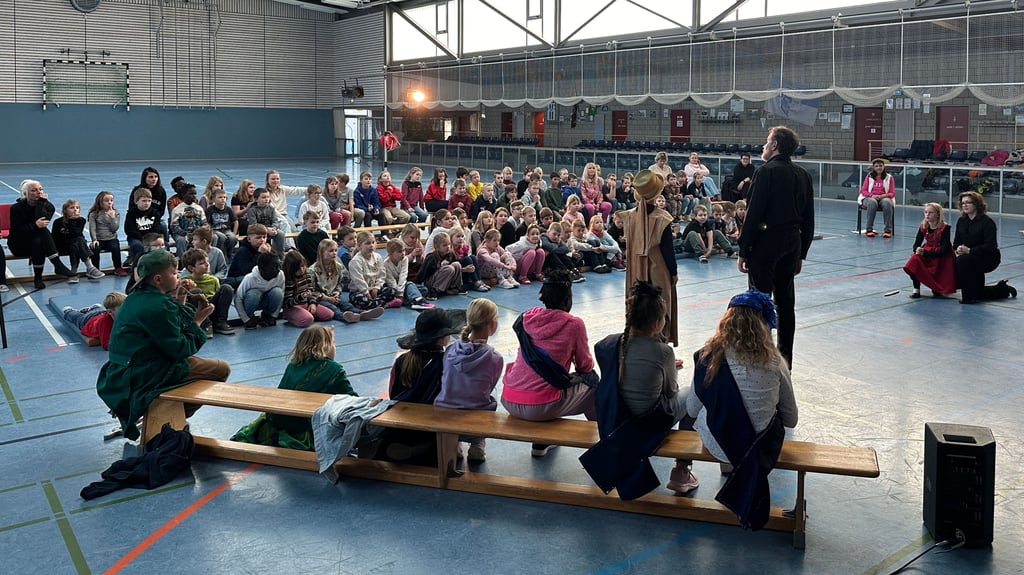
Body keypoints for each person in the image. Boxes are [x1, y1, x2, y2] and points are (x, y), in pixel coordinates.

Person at [686, 289, 798, 528]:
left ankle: (685, 468)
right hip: (760, 447)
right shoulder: (776, 363)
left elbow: (692, 410)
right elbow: (791, 420)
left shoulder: (707, 357)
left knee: (712, 408)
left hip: (718, 445)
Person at [96, 249, 229, 441]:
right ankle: (166, 416)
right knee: (221, 369)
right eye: (174, 274)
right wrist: (198, 322)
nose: (178, 276)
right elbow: (181, 348)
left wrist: (181, 297)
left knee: (199, 365)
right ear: (158, 279)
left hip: (123, 370)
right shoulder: (157, 306)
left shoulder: (136, 297)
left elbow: (170, 326)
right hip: (143, 373)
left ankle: (163, 413)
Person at [591, 280, 699, 496]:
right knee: (692, 395)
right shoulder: (663, 352)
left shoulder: (607, 344)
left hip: (616, 417)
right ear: (658, 322)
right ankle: (682, 469)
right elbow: (670, 392)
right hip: (648, 422)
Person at [738, 126, 815, 368]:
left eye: (766, 141)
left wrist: (743, 249)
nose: (763, 146)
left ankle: (759, 359)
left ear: (775, 146)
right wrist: (801, 252)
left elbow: (753, 214)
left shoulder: (765, 172)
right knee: (786, 304)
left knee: (759, 302)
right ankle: (785, 361)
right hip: (792, 243)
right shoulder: (803, 174)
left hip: (766, 243)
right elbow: (809, 218)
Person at [500, 268, 598, 457]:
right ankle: (604, 441)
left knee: (548, 384)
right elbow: (585, 366)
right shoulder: (573, 324)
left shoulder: (527, 317)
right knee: (594, 384)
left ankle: (541, 443)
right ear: (567, 299)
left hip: (509, 398)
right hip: (539, 406)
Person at [233, 325, 357, 450]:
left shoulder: (293, 364)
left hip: (276, 419)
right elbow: (351, 399)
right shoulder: (334, 369)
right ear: (326, 346)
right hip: (301, 427)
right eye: (333, 343)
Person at [377, 307, 463, 463]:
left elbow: (392, 393)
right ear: (442, 338)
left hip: (400, 424)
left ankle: (401, 445)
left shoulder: (402, 360)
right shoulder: (446, 362)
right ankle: (427, 448)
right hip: (431, 426)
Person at [434, 298, 503, 463]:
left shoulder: (450, 350)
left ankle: (455, 444)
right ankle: (477, 445)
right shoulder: (495, 358)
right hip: (476, 425)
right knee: (487, 401)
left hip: (442, 417)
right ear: (493, 325)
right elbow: (487, 389)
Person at [624, 169, 678, 345]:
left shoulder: (628, 217)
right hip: (658, 271)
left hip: (635, 272)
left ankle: (636, 345)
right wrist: (674, 272)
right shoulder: (663, 218)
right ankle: (660, 347)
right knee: (661, 308)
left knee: (637, 307)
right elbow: (668, 250)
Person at [8, 180, 76, 289]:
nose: (39, 192)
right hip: (19, 244)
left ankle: (38, 278)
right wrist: (34, 226)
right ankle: (56, 264)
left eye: (40, 189)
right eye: (34, 190)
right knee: (41, 232)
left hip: (37, 243)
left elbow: (40, 220)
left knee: (39, 239)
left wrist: (40, 204)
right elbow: (17, 231)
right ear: (25, 194)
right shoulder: (16, 208)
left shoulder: (49, 207)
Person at [952, 191, 1017, 304]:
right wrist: (958, 248)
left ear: (977, 204)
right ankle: (1002, 289)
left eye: (968, 202)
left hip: (988, 258)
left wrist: (970, 250)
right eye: (963, 203)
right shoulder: (961, 221)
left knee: (962, 261)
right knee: (978, 293)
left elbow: (991, 246)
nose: (965, 205)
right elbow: (956, 242)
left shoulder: (987, 222)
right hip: (970, 257)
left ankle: (968, 298)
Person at [309, 238, 379, 324]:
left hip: (333, 295)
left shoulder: (338, 267)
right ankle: (344, 317)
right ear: (322, 253)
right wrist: (326, 298)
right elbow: (311, 290)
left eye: (335, 250)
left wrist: (337, 293)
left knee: (346, 305)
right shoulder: (313, 270)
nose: (334, 253)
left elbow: (340, 283)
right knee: (333, 308)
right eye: (331, 251)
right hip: (320, 298)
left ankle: (362, 313)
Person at [903, 203, 956, 298]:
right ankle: (916, 289)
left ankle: (936, 287)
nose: (927, 215)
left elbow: (944, 249)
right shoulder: (923, 226)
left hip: (941, 255)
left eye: (930, 212)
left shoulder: (945, 228)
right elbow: (916, 243)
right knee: (913, 261)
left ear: (938, 215)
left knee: (937, 270)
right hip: (927, 250)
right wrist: (917, 249)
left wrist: (926, 253)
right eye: (926, 212)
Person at [181, 248, 236, 336]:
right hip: (198, 314)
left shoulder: (213, 279)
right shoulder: (185, 281)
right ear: (191, 268)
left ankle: (220, 323)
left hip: (211, 308)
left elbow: (219, 300)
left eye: (207, 261)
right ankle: (205, 325)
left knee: (226, 288)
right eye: (202, 263)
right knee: (196, 292)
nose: (207, 264)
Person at [51, 199, 106, 283]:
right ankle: (90, 267)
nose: (75, 209)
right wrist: (70, 221)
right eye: (72, 207)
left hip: (75, 244)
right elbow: (56, 237)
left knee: (76, 243)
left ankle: (73, 272)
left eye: (77, 207)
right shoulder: (58, 222)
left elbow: (76, 233)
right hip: (62, 245)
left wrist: (72, 221)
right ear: (65, 210)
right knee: (78, 242)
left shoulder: (81, 220)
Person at [348, 230, 401, 311]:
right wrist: (366, 292)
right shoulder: (356, 261)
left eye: (373, 242)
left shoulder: (377, 257)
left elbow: (382, 275)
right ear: (359, 246)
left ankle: (372, 304)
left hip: (374, 290)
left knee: (392, 291)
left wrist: (377, 287)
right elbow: (358, 280)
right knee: (360, 299)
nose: (371, 245)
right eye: (368, 243)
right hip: (359, 291)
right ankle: (384, 304)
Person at [281, 249, 334, 328]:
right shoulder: (288, 280)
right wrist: (301, 297)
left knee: (329, 315)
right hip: (293, 307)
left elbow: (312, 292)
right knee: (307, 320)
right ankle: (294, 316)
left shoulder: (308, 274)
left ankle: (306, 314)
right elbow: (287, 302)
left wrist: (313, 303)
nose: (302, 270)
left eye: (303, 266)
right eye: (298, 269)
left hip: (306, 303)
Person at [60, 291, 127, 350]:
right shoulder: (105, 323)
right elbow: (106, 345)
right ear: (110, 312)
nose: (128, 311)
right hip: (87, 321)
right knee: (77, 317)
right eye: (122, 310)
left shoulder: (124, 315)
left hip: (101, 313)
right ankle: (69, 311)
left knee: (99, 310)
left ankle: (95, 308)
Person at [234, 252, 285, 329]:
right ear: (262, 269)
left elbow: (282, 296)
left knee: (278, 292)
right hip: (250, 302)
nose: (278, 270)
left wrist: (274, 315)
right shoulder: (250, 279)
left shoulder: (280, 275)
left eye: (279, 266)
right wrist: (245, 319)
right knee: (254, 293)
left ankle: (267, 315)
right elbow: (238, 299)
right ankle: (250, 316)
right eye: (274, 267)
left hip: (266, 301)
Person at [383, 238, 434, 310]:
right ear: (391, 253)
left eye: (404, 250)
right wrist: (399, 294)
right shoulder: (386, 263)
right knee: (409, 285)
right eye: (399, 251)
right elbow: (390, 280)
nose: (403, 253)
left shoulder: (405, 259)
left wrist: (401, 293)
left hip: (402, 285)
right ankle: (417, 301)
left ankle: (405, 300)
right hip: (392, 287)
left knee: (424, 290)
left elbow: (403, 276)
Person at [87, 191, 127, 276]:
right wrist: (94, 240)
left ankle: (118, 268)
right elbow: (92, 228)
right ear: (100, 202)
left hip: (111, 238)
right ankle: (95, 269)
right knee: (95, 249)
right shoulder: (94, 214)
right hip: (99, 239)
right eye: (106, 201)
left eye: (111, 200)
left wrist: (112, 217)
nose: (109, 202)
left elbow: (114, 228)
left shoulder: (116, 212)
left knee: (115, 247)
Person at [859, 159, 895, 238]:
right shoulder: (869, 176)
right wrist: (872, 195)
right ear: (874, 167)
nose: (878, 168)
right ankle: (869, 230)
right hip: (869, 198)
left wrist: (883, 195)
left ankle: (887, 231)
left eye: (880, 166)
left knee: (887, 203)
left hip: (884, 197)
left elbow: (892, 193)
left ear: (883, 167)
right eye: (876, 166)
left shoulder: (889, 177)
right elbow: (863, 191)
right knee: (872, 203)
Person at [246, 188, 286, 256]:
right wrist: (267, 230)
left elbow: (275, 221)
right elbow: (253, 225)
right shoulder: (252, 210)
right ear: (256, 199)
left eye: (268, 197)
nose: (267, 199)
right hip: (258, 231)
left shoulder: (271, 208)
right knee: (258, 236)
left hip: (270, 230)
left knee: (280, 234)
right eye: (263, 197)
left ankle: (280, 256)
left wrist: (274, 228)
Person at [205, 186, 237, 259]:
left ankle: (229, 253)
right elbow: (207, 223)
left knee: (232, 238)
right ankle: (219, 254)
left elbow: (236, 221)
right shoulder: (210, 210)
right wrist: (210, 231)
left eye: (224, 197)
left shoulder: (228, 209)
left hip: (226, 230)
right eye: (220, 197)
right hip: (215, 229)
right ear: (214, 199)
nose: (223, 199)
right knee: (221, 237)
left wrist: (234, 233)